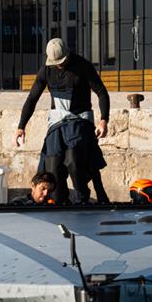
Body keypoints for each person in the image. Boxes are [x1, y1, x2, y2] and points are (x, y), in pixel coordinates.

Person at [16, 38, 110, 204]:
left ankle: (82, 198)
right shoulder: (46, 70)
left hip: (79, 122)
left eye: (62, 62)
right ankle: (60, 201)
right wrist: (21, 126)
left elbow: (101, 92)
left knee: (74, 160)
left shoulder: (82, 66)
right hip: (57, 125)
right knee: (52, 164)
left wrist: (103, 121)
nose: (59, 65)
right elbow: (32, 98)